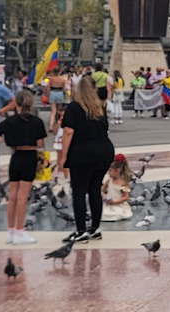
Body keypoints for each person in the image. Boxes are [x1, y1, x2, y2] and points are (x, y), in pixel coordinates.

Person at [57, 77, 114, 244]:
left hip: (83, 153)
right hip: (104, 151)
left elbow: (68, 132)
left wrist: (63, 156)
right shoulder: (99, 108)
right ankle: (95, 228)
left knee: (79, 192)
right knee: (95, 189)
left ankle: (81, 230)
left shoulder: (74, 108)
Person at [0, 89, 47, 245]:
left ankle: (11, 231)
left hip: (15, 157)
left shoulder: (10, 121)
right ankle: (20, 231)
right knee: (23, 197)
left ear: (17, 104)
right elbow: (40, 143)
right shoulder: (36, 122)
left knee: (12, 195)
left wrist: (6, 142)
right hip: (29, 157)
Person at [101, 154, 135, 222]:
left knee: (117, 213)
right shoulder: (109, 180)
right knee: (103, 213)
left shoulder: (123, 183)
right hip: (109, 204)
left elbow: (126, 197)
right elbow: (101, 190)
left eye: (110, 170)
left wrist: (115, 202)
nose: (108, 172)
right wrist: (105, 197)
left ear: (117, 170)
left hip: (118, 204)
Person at [47, 67, 69, 132]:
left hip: (52, 93)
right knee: (59, 110)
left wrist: (48, 94)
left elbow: (48, 88)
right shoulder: (63, 80)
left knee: (53, 111)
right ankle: (58, 124)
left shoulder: (51, 79)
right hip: (60, 93)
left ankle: (51, 126)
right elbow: (64, 89)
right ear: (60, 72)